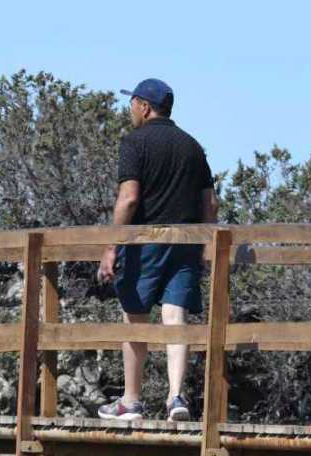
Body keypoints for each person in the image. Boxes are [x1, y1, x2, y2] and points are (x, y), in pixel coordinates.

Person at [96, 79, 219, 422]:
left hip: (144, 243)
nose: (130, 110)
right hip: (186, 244)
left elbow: (129, 198)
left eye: (132, 103)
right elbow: (210, 202)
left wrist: (111, 247)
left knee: (135, 316)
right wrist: (206, 245)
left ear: (145, 107)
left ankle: (131, 401)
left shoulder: (135, 143)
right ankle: (175, 397)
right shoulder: (192, 146)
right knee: (175, 317)